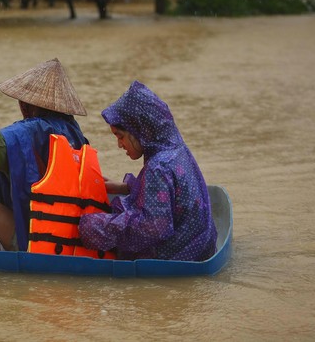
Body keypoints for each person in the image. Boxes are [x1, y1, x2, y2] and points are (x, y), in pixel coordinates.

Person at [0, 59, 90, 252]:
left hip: (39, 239)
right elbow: (0, 142)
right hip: (70, 236)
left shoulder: (30, 131)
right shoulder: (74, 133)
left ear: (25, 105)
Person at [78, 81, 218, 261]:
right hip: (202, 244)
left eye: (120, 136)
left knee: (96, 224)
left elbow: (154, 227)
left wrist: (96, 226)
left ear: (140, 130)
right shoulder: (175, 149)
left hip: (179, 255)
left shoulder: (157, 167)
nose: (119, 145)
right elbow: (170, 193)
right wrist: (125, 187)